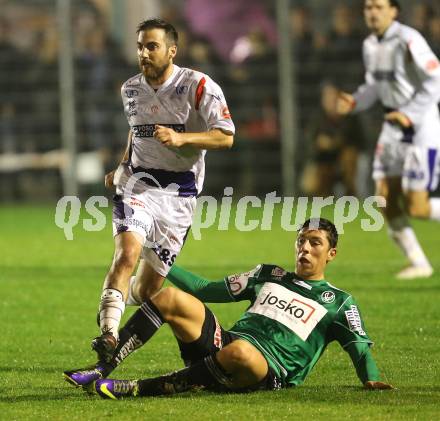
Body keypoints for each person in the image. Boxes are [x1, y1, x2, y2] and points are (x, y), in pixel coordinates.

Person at [64, 218, 393, 399]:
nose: (305, 248)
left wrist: (371, 379)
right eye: (301, 240)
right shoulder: (269, 274)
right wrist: (157, 258)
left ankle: (139, 388)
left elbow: (358, 348)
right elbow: (206, 290)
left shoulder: (339, 302)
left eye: (315, 243)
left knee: (244, 354)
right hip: (225, 345)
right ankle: (102, 368)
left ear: (331, 254)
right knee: (170, 297)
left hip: (264, 371)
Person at [86, 18, 235, 363]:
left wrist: (183, 138)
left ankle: (118, 297)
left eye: (151, 46)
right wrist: (123, 166)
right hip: (138, 184)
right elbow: (136, 132)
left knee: (145, 289)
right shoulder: (130, 89)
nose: (144, 53)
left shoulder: (199, 86)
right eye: (140, 46)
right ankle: (109, 334)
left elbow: (226, 136)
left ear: (171, 50)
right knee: (126, 254)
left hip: (180, 195)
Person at [336, 0, 440, 280]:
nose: (372, 12)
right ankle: (419, 262)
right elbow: (374, 85)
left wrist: (410, 113)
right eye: (368, 7)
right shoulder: (370, 43)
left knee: (418, 206)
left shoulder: (409, 39)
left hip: (420, 127)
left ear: (394, 11)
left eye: (379, 6)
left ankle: (419, 262)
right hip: (392, 127)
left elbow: (436, 79)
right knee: (384, 199)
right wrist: (356, 101)